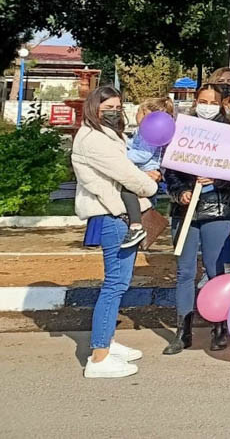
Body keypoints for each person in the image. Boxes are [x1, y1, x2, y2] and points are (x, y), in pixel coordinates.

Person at [72, 86, 159, 378]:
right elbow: (125, 173)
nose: (113, 111)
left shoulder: (107, 136)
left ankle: (106, 341)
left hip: (118, 213)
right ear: (93, 107)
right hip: (112, 216)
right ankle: (98, 357)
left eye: (117, 106)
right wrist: (149, 185)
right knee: (113, 285)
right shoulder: (93, 140)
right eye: (106, 106)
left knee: (119, 283)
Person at [163, 84, 230, 356]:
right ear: (196, 102)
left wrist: (217, 178)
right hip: (186, 210)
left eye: (213, 102)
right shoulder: (181, 131)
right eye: (203, 101)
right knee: (184, 272)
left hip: (217, 210)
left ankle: (219, 327)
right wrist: (180, 191)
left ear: (222, 105)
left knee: (216, 271)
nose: (207, 105)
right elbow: (169, 170)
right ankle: (183, 331)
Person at [121, 96, 176, 249]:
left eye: (139, 111)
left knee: (128, 191)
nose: (136, 114)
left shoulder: (149, 132)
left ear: (146, 113)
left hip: (146, 170)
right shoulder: (140, 131)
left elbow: (143, 155)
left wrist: (121, 155)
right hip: (143, 170)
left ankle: (136, 225)